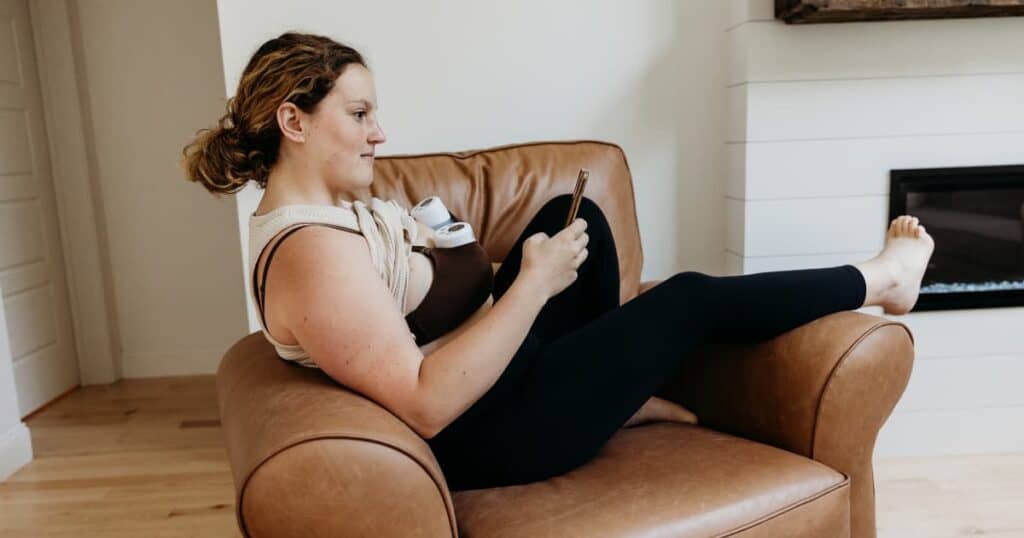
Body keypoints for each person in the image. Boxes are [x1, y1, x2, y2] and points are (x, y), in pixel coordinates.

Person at [181, 32, 934, 491]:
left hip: (481, 390)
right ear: (294, 121)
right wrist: (531, 285)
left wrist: (494, 273)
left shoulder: (324, 219)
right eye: (359, 113)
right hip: (479, 437)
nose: (381, 132)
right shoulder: (310, 251)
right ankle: (882, 280)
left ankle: (610, 394)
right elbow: (422, 403)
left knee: (575, 221)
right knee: (686, 299)